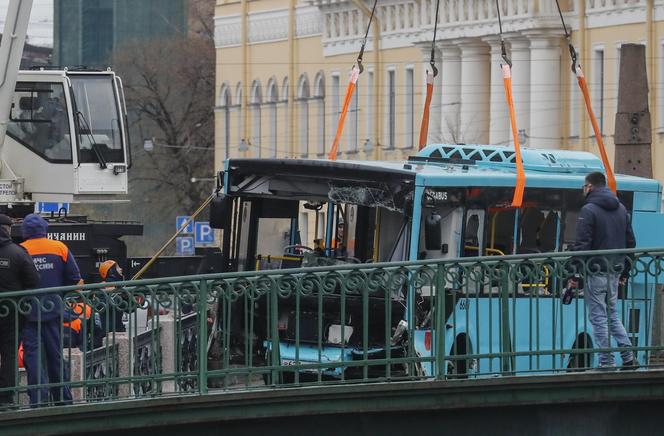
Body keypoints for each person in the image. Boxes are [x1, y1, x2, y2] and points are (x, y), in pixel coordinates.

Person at [568, 172, 638, 370]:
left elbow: (582, 246)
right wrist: (624, 273)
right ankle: (628, 357)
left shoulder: (588, 210)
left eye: (584, 187)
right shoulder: (621, 209)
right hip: (615, 271)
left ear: (589, 187)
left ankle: (606, 362)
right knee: (612, 315)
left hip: (596, 271)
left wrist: (574, 275)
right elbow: (631, 243)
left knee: (598, 317)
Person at [20, 213, 83, 406]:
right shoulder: (59, 247)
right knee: (55, 356)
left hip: (29, 314)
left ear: (25, 232)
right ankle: (63, 399)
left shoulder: (21, 250)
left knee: (33, 358)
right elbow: (75, 280)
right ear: (45, 229)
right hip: (54, 311)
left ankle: (38, 401)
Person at [0, 214, 40, 408]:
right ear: (8, 229)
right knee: (9, 353)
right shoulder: (18, 252)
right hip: (11, 312)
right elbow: (33, 281)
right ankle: (6, 398)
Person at [98, 260, 127, 333]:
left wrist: (127, 297)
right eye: (117, 267)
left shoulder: (119, 287)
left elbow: (129, 308)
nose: (121, 269)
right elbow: (101, 306)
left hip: (119, 330)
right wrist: (116, 296)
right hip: (107, 332)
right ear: (111, 271)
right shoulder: (102, 288)